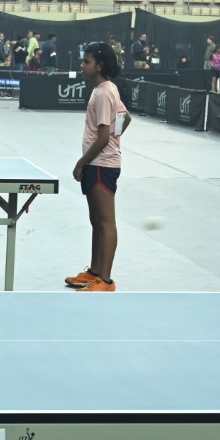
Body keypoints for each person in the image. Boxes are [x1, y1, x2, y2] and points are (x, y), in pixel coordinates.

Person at [67, 42, 131, 293]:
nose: (82, 65)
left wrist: (80, 162)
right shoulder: (106, 89)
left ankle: (105, 280)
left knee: (106, 222)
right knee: (96, 221)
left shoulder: (104, 93)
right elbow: (125, 117)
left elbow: (103, 137)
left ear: (100, 65)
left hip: (102, 164)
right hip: (97, 163)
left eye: (87, 61)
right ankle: (94, 272)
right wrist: (116, 136)